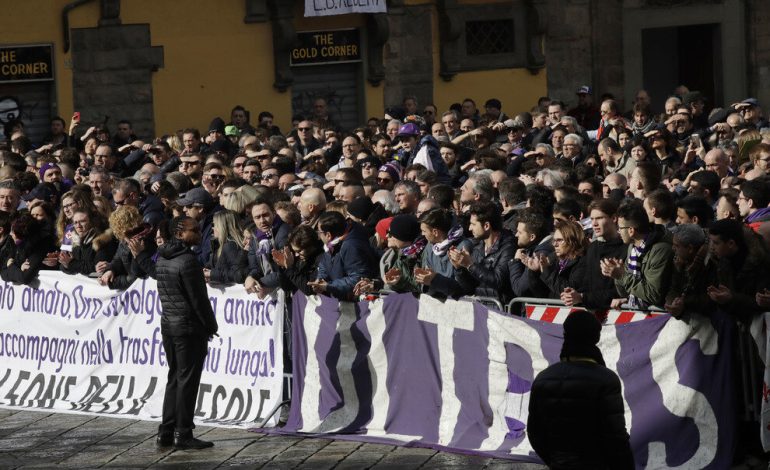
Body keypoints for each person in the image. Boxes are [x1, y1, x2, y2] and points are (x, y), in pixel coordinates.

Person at [528, 311, 634, 469]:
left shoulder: (543, 378)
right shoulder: (606, 380)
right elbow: (616, 437)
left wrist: (555, 460)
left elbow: (535, 433)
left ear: (566, 335)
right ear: (596, 338)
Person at [155, 215, 218, 450]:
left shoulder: (162, 257)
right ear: (180, 233)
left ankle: (166, 431)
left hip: (169, 326)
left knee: (175, 377)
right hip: (188, 328)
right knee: (187, 381)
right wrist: (211, 326)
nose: (199, 233)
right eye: (194, 230)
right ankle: (183, 433)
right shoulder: (188, 261)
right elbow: (198, 300)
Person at [601, 199, 673, 309]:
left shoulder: (660, 250)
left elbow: (653, 295)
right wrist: (616, 273)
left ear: (631, 230)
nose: (618, 231)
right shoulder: (632, 248)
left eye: (620, 228)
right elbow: (626, 292)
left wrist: (622, 275)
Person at [311, 211, 379, 300]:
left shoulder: (351, 246)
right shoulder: (331, 244)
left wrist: (329, 286)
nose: (319, 236)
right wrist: (320, 279)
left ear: (328, 235)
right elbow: (324, 263)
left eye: (319, 232)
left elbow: (357, 278)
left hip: (355, 305)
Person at [59, 209, 118, 276]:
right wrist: (66, 264)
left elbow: (97, 269)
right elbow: (65, 267)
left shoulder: (102, 241)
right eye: (75, 222)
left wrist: (71, 263)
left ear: (92, 222)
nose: (78, 225)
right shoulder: (74, 241)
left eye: (82, 221)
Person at [204, 210, 248, 284]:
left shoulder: (231, 246)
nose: (212, 228)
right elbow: (212, 265)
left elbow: (237, 274)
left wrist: (211, 274)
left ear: (223, 226)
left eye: (214, 225)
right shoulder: (219, 245)